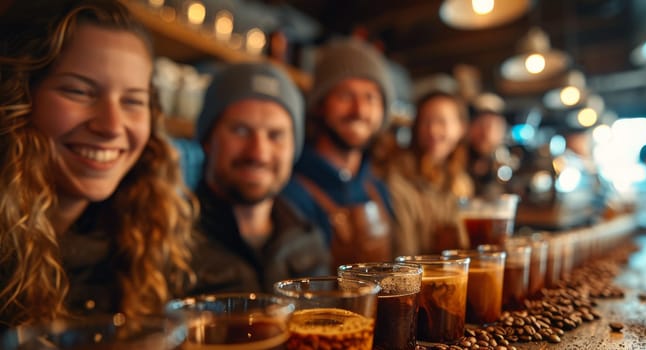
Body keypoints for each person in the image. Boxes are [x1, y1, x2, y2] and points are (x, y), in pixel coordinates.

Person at [0, 0, 196, 327]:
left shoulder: (138, 238)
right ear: (16, 99)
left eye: (133, 100)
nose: (112, 126)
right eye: (79, 91)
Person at [188, 63, 330, 294]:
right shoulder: (169, 239)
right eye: (241, 131)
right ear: (207, 139)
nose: (258, 153)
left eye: (276, 135)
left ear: (294, 148)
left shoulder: (308, 238)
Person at [282, 38, 396, 268]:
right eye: (345, 95)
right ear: (320, 105)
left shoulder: (378, 188)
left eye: (370, 97)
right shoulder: (290, 192)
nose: (359, 110)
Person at [383, 91, 474, 255]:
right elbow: (404, 254)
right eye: (425, 122)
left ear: (461, 128)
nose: (432, 130)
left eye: (442, 121)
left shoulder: (461, 182)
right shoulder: (398, 177)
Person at [466, 99, 509, 197]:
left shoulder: (502, 165)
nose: (486, 134)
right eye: (481, 125)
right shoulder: (456, 164)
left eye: (494, 126)